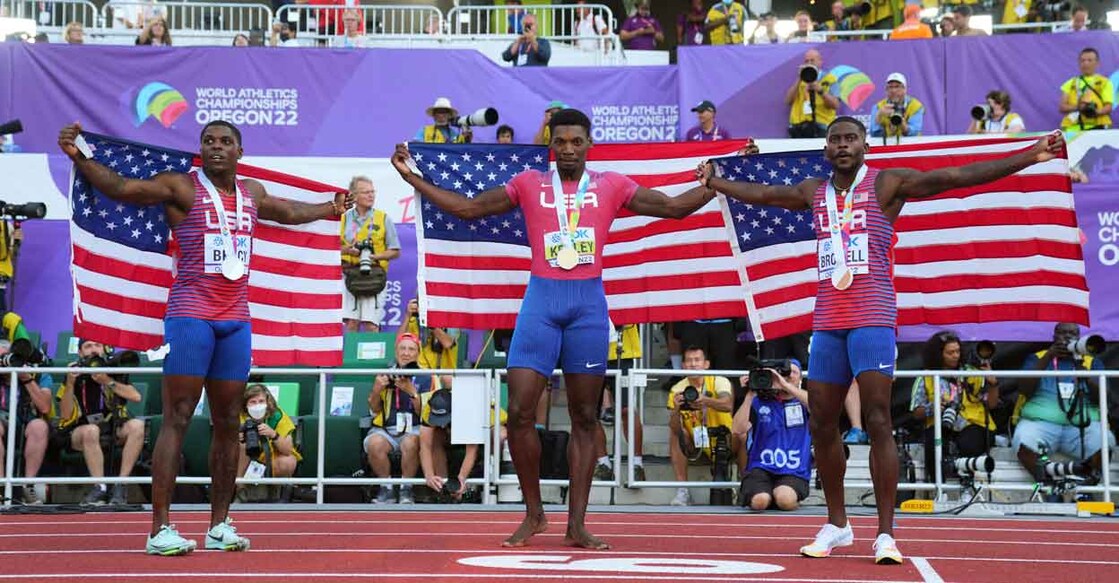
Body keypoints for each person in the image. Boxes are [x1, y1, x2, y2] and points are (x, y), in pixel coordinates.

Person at [700, 116, 1064, 564]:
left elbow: (953, 177)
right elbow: (765, 194)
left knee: (877, 420)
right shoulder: (814, 191)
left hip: (873, 317)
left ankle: (886, 534)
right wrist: (718, 181)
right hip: (828, 320)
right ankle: (837, 525)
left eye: (850, 138)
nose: (842, 145)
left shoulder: (887, 184)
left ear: (865, 145)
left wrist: (1031, 155)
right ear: (826, 148)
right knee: (821, 422)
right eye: (834, 139)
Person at [391, 108, 716, 550]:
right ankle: (535, 514)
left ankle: (577, 524)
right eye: (560, 142)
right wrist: (413, 179)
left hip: (587, 308)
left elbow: (674, 208)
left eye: (576, 142)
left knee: (586, 417)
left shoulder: (612, 185)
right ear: (550, 144)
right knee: (521, 413)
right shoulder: (527, 183)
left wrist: (719, 180)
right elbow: (468, 209)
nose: (567, 149)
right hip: (539, 306)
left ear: (589, 145)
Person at [58, 120, 349, 556]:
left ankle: (219, 524)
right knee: (177, 415)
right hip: (191, 315)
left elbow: (287, 213)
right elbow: (121, 187)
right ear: (201, 150)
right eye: (209, 142)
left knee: (230, 422)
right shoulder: (181, 186)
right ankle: (160, 529)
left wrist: (328, 208)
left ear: (239, 151)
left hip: (236, 320)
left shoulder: (251, 194)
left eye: (225, 142)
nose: (216, 148)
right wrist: (80, 157)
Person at [908, 331, 998, 482]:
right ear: (938, 354)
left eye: (957, 351)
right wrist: (934, 407)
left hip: (974, 424)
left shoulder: (971, 373)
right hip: (940, 424)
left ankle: (967, 486)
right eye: (950, 352)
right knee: (933, 442)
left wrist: (993, 383)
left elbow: (992, 404)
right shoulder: (925, 377)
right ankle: (938, 488)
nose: (956, 355)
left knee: (969, 443)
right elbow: (916, 412)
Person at [733, 359, 811, 511]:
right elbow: (737, 430)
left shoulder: (804, 402)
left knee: (785, 500)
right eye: (784, 373)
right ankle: (766, 496)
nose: (788, 376)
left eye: (794, 372)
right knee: (759, 502)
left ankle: (778, 495)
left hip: (794, 469)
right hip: (761, 467)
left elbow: (818, 406)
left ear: (801, 379)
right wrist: (750, 393)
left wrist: (785, 385)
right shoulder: (759, 401)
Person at [341, 176, 400, 332]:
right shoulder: (343, 218)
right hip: (349, 275)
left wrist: (374, 256)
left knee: (371, 324)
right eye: (366, 192)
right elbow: (330, 247)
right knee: (351, 323)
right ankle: (348, 357)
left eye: (372, 192)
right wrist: (348, 250)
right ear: (353, 196)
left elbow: (395, 251)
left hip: (373, 275)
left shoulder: (383, 218)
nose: (371, 195)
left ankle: (371, 357)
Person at [236, 384, 301, 482]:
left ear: (267, 402)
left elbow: (288, 450)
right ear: (246, 405)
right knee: (241, 446)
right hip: (243, 460)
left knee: (288, 461)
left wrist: (274, 435)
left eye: (261, 401)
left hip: (270, 459)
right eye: (253, 402)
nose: (257, 405)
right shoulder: (238, 415)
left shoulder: (277, 416)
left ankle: (274, 492)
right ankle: (239, 489)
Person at [1059, 48, 1113, 132]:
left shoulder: (1105, 82)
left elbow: (1108, 107)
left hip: (1098, 126)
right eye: (1082, 60)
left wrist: (1094, 112)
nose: (1086, 63)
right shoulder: (1070, 83)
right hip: (1073, 129)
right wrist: (1079, 107)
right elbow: (1062, 107)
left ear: (1097, 63)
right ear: (1079, 63)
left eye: (1089, 60)